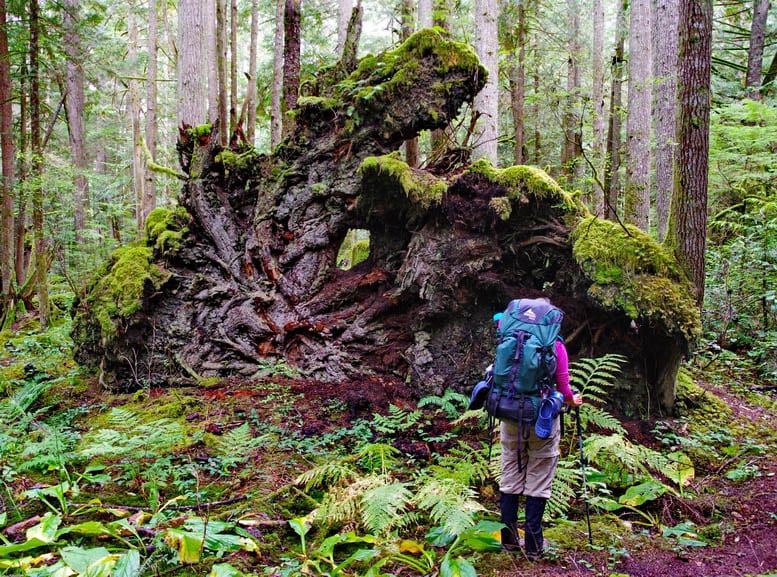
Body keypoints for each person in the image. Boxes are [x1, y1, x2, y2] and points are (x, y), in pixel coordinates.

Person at [498, 309, 583, 560]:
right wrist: (572, 400)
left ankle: (509, 542)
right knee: (540, 476)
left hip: (510, 413)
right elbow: (563, 386)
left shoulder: (508, 335)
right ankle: (534, 548)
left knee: (510, 474)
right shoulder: (554, 344)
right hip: (543, 417)